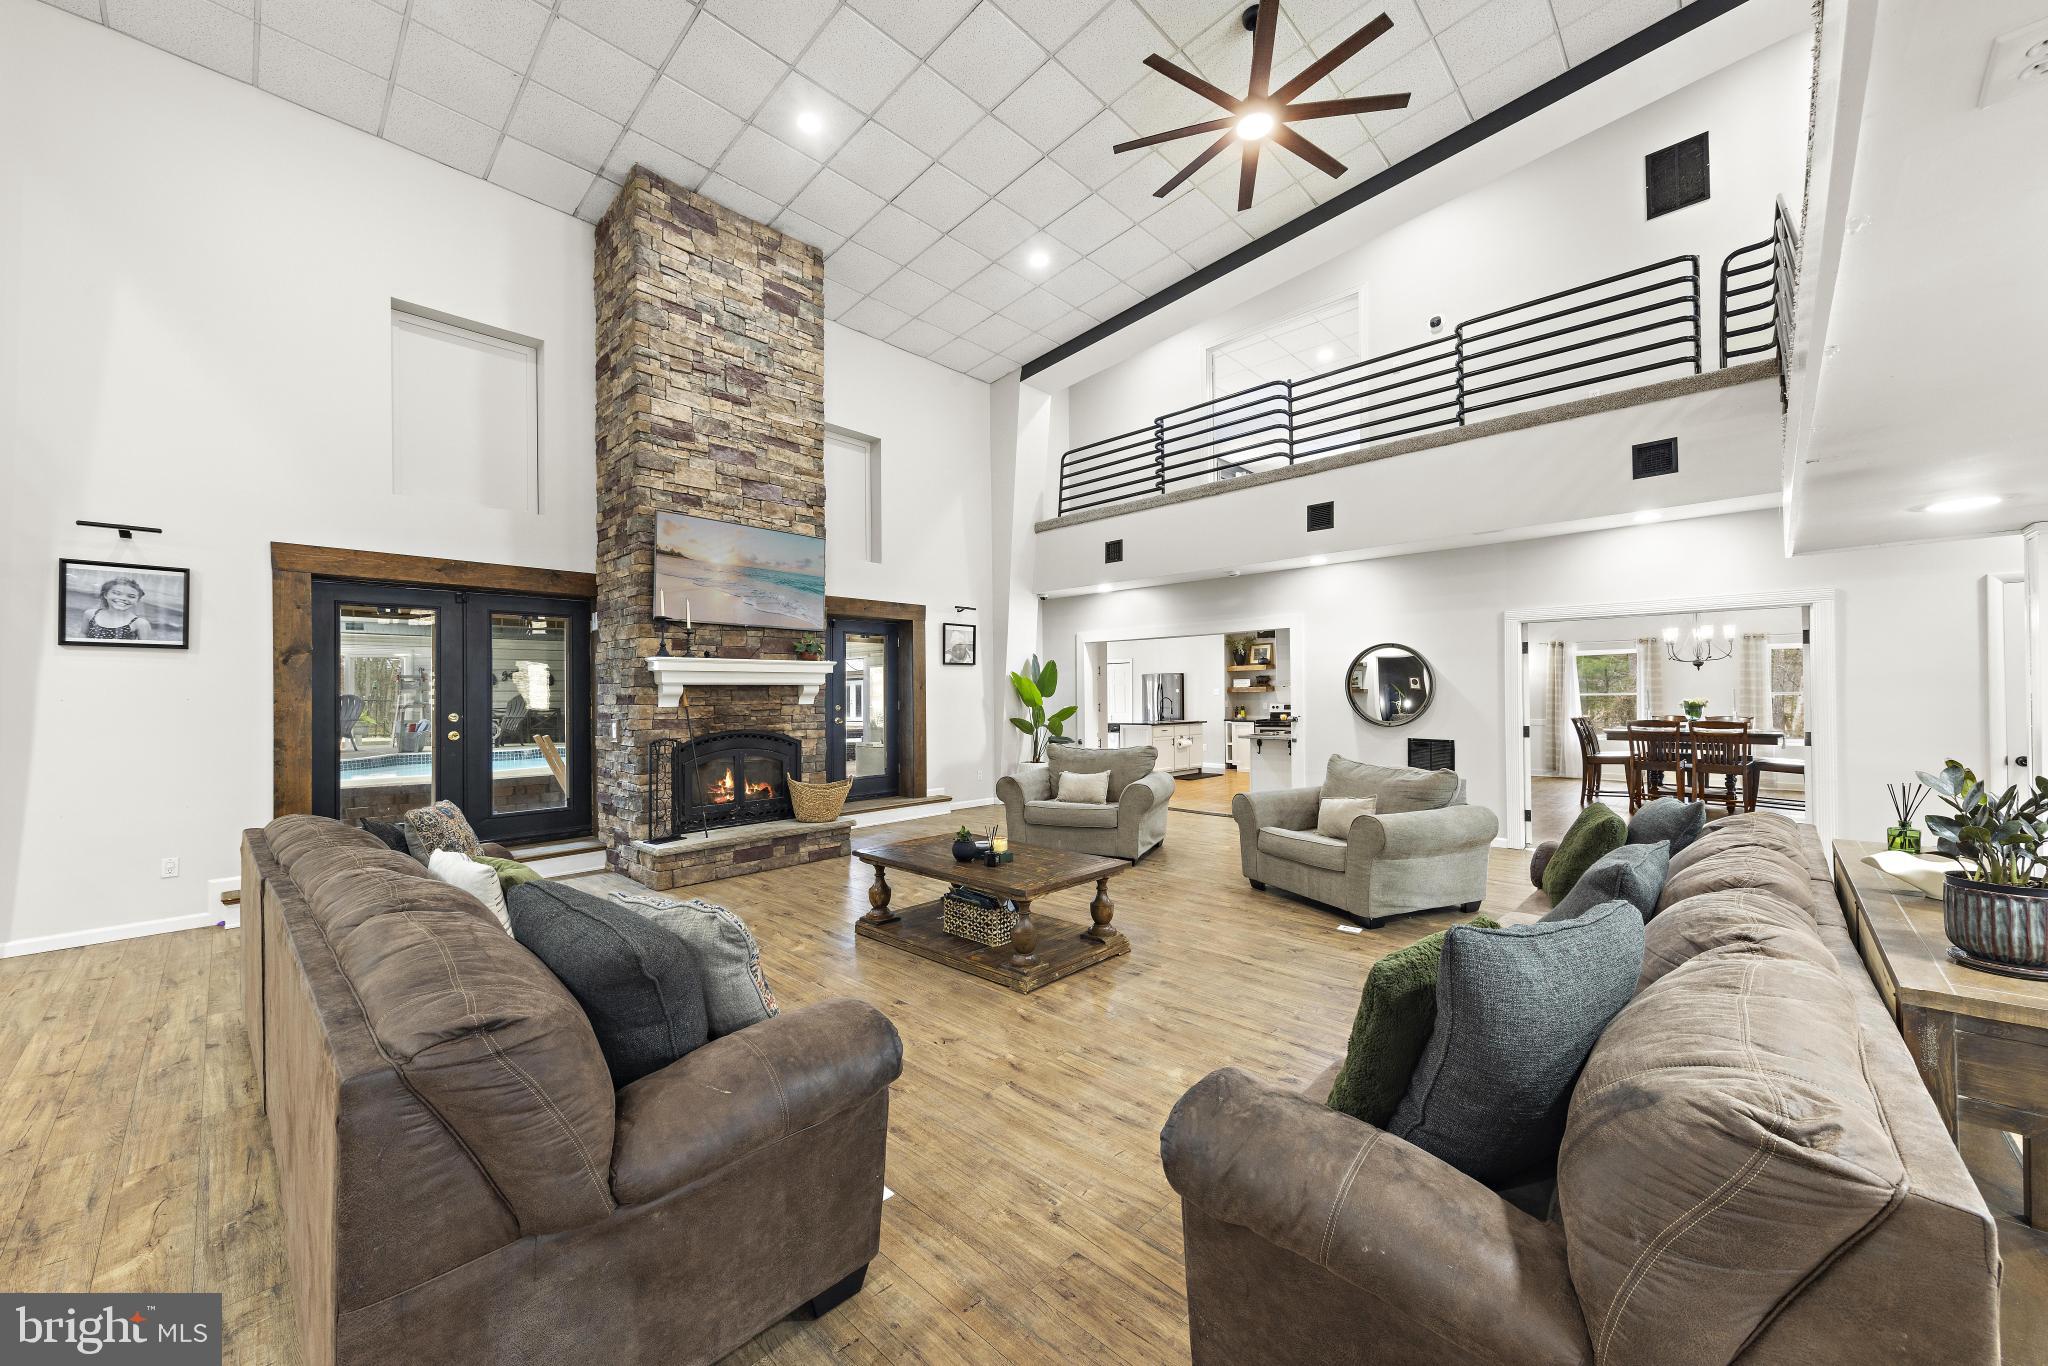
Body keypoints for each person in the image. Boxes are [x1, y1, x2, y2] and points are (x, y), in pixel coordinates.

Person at [80, 576, 153, 640]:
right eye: (117, 593)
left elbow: (145, 649)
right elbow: (83, 634)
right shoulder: (90, 614)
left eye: (131, 596)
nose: (123, 598)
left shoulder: (140, 623)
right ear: (105, 595)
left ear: (137, 601)